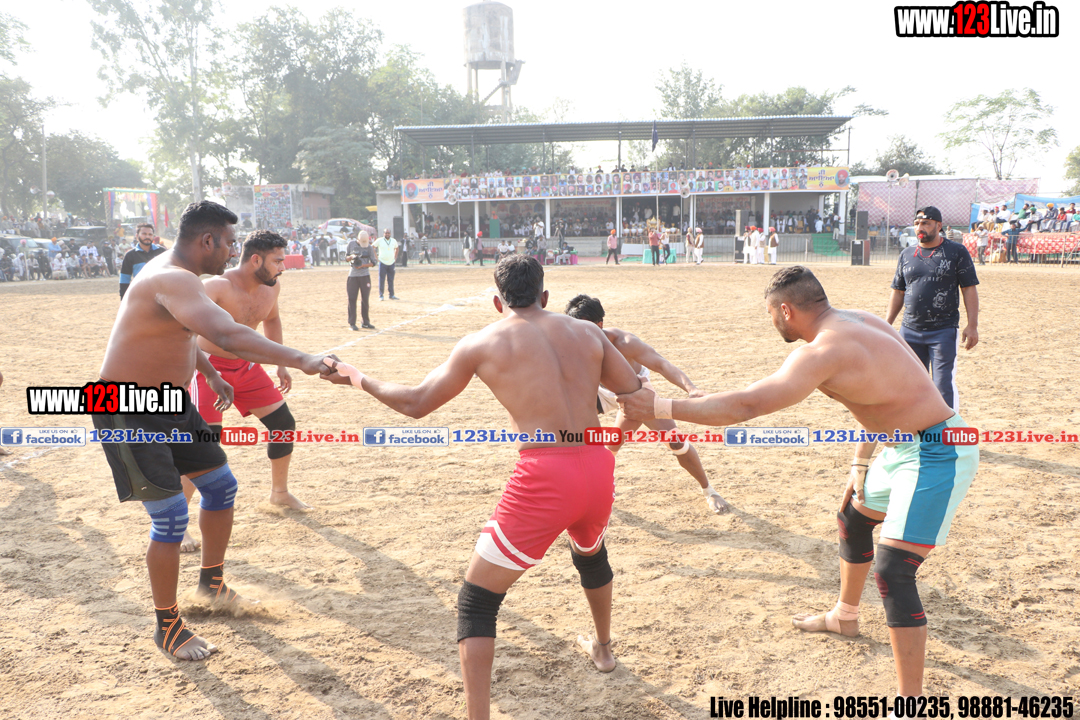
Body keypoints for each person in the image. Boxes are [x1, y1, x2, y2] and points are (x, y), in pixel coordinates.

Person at [618, 265, 978, 701]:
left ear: (786, 310)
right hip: (903, 449)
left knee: (894, 571)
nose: (772, 321)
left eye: (771, 313)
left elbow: (747, 406)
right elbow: (889, 393)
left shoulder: (821, 351)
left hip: (937, 452)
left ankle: (910, 703)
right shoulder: (863, 319)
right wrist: (860, 464)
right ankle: (845, 616)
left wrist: (658, 406)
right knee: (852, 518)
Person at [322, 255, 642, 719]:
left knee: (477, 602)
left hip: (544, 475)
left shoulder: (481, 342)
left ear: (497, 301)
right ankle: (604, 650)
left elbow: (416, 403)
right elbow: (634, 394)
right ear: (545, 296)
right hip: (597, 466)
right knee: (591, 555)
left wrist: (358, 378)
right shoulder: (588, 332)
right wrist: (608, 441)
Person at [92, 200, 335, 661]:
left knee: (221, 487)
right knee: (170, 517)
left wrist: (209, 372)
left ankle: (213, 585)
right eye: (228, 243)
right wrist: (303, 359)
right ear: (207, 240)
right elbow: (226, 334)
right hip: (128, 408)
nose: (231, 251)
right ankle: (168, 626)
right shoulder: (173, 277)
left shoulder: (179, 276)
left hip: (172, 403)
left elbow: (182, 333)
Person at [177, 229, 311, 552]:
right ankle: (178, 523)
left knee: (283, 424)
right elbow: (182, 329)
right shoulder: (216, 287)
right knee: (204, 444)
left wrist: (280, 364)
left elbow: (272, 321)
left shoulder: (272, 287)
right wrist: (193, 372)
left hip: (246, 366)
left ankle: (279, 493)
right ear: (255, 260)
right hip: (209, 369)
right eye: (278, 261)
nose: (283, 267)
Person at [565, 295, 730, 515]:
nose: (578, 335)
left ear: (599, 325)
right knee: (578, 440)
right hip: (598, 394)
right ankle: (593, 490)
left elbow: (661, 364)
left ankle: (709, 491)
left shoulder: (624, 343)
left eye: (584, 329)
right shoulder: (571, 340)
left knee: (675, 442)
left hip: (636, 396)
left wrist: (691, 389)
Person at [886, 207, 979, 412]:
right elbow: (898, 291)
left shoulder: (956, 252)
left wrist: (972, 325)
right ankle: (916, 426)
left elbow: (969, 289)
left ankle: (948, 428)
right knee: (910, 384)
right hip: (910, 330)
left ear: (938, 225)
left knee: (942, 385)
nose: (920, 227)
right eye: (917, 223)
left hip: (943, 331)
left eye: (926, 223)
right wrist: (887, 324)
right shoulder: (906, 254)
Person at [119, 223, 166, 298]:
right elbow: (124, 279)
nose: (147, 236)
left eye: (150, 234)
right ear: (137, 236)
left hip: (162, 296)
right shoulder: (130, 255)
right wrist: (123, 298)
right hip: (141, 296)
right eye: (144, 234)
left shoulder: (162, 252)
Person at [346, 231, 376, 330]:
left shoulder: (369, 247)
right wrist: (351, 257)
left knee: (365, 299)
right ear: (357, 239)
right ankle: (352, 323)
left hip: (365, 275)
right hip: (353, 276)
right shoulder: (351, 244)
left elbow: (374, 262)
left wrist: (363, 265)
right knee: (352, 299)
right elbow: (345, 257)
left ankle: (365, 322)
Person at [375, 228, 399, 300]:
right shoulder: (380, 240)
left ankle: (391, 295)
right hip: (382, 263)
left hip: (391, 263)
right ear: (384, 233)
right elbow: (372, 247)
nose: (387, 234)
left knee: (391, 279)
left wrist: (395, 258)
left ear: (390, 234)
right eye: (386, 233)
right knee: (381, 279)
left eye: (388, 233)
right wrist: (376, 257)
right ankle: (381, 295)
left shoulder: (393, 240)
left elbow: (397, 248)